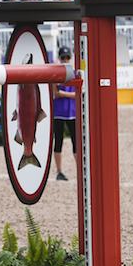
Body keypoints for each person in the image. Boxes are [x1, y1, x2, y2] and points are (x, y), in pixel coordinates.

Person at [52, 46, 76, 181]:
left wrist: (62, 94)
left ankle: (80, 170)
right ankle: (59, 171)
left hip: (72, 112)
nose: (65, 60)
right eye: (63, 58)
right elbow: (55, 93)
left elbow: (77, 94)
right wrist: (67, 94)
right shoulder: (56, 74)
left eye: (67, 58)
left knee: (76, 143)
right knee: (58, 142)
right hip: (59, 113)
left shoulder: (74, 72)